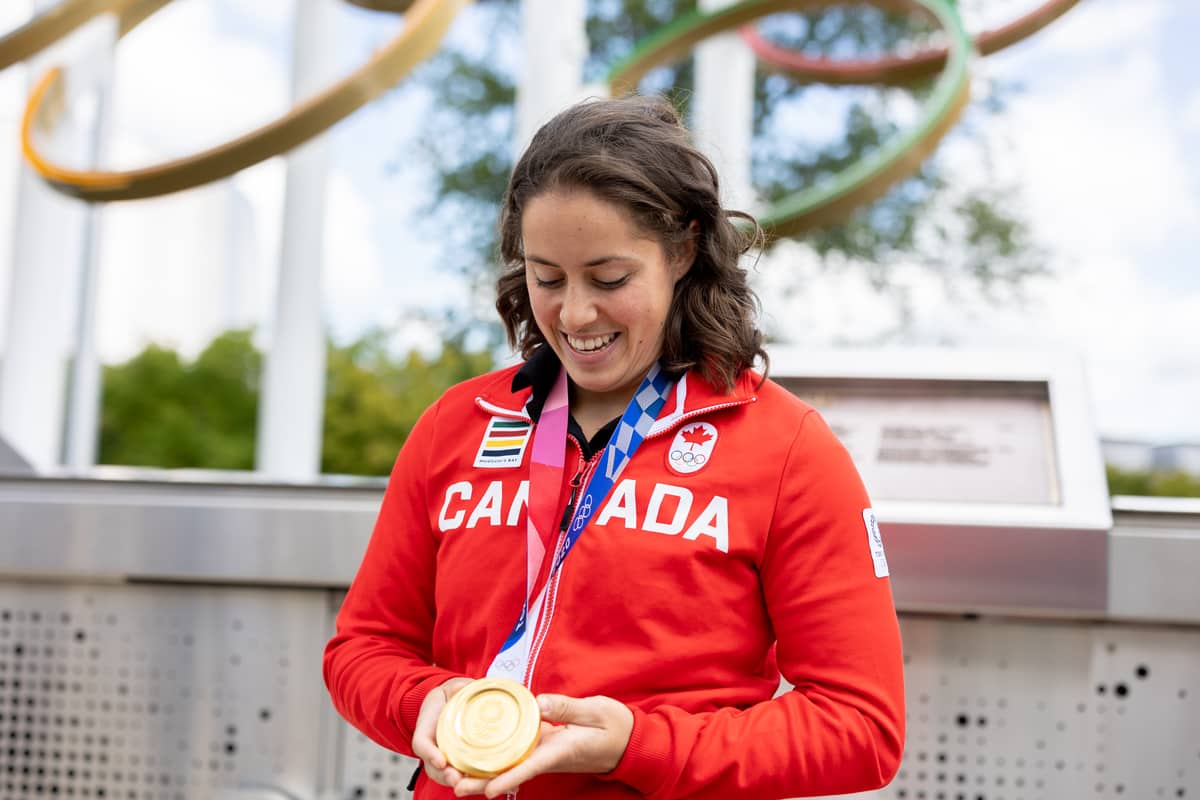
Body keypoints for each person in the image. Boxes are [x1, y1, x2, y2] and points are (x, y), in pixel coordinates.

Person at [323, 95, 905, 799]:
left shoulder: (787, 449)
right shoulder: (459, 423)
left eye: (609, 279)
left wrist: (637, 745)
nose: (574, 314)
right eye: (546, 277)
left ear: (684, 249)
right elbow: (362, 649)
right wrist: (422, 704)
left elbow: (862, 728)